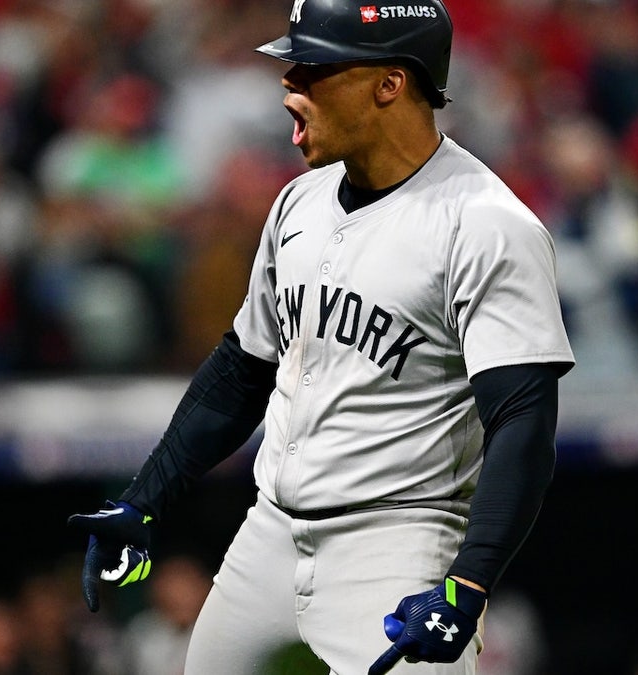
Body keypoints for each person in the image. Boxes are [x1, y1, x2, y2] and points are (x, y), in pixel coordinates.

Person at [67, 1, 576, 674]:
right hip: (270, 530)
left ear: (390, 84)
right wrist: (144, 497)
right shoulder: (298, 202)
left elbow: (523, 421)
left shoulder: (486, 224)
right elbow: (242, 369)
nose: (289, 88)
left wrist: (470, 580)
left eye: (312, 69)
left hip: (398, 539)